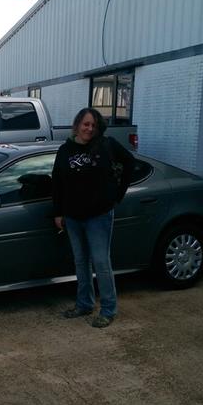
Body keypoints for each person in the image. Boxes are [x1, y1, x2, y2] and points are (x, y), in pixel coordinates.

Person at [52, 108, 135, 328]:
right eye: (86, 124)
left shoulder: (106, 145)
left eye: (93, 125)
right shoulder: (65, 150)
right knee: (81, 262)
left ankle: (108, 310)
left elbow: (130, 162)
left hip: (99, 216)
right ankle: (84, 304)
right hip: (72, 217)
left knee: (101, 262)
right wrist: (58, 212)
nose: (89, 129)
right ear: (77, 125)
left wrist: (117, 194)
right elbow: (57, 182)